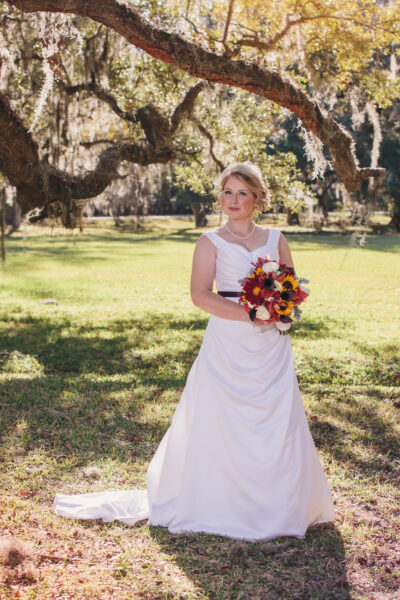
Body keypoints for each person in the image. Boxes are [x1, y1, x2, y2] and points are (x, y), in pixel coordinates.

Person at [54, 162, 335, 541]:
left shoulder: (275, 238)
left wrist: (279, 312)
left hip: (271, 346)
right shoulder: (210, 241)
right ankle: (219, 500)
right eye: (227, 192)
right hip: (229, 340)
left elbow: (288, 287)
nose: (233, 200)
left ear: (257, 199)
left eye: (242, 193)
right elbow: (200, 295)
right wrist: (251, 315)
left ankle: (280, 504)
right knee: (223, 417)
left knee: (274, 419)